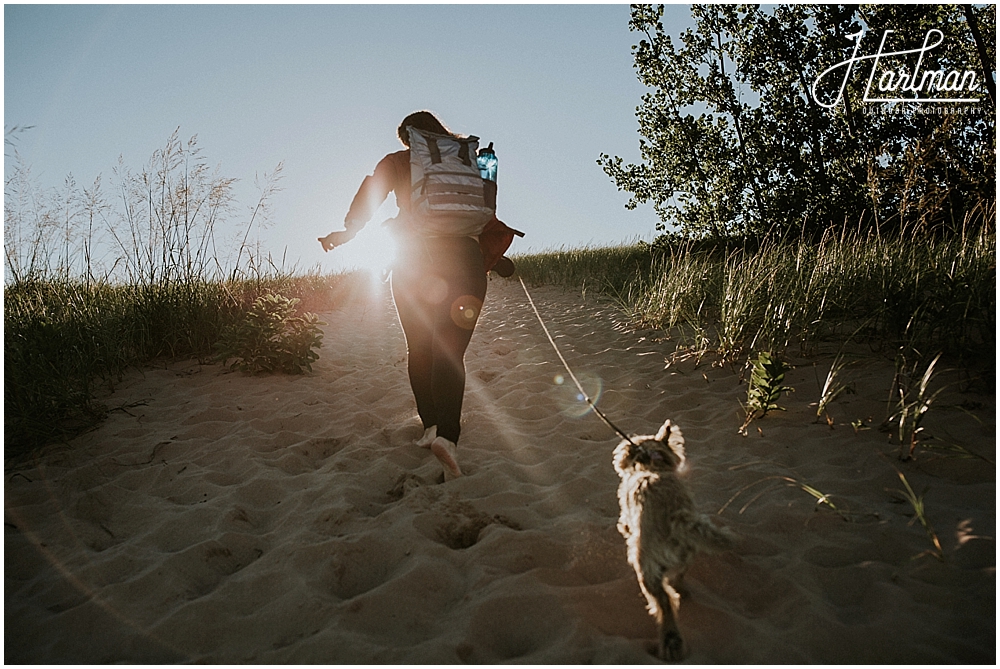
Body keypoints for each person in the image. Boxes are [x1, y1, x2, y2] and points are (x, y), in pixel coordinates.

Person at [319, 111, 488, 481]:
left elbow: (370, 196)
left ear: (409, 137)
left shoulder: (398, 161)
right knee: (451, 350)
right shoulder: (477, 158)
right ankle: (449, 436)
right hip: (466, 259)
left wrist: (347, 232)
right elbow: (485, 214)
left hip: (413, 262)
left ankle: (431, 427)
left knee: (421, 348)